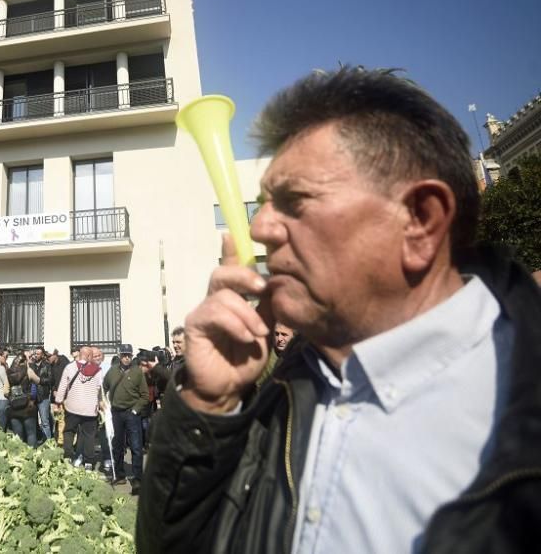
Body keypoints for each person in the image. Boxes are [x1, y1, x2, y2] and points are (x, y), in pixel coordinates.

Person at [137, 67, 541, 553]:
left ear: (420, 221)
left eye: (294, 201)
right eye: (263, 203)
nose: (259, 228)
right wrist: (208, 406)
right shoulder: (280, 393)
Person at [103, 344, 148, 493]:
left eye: (129, 355)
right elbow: (104, 388)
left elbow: (144, 395)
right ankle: (120, 474)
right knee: (117, 446)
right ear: (119, 355)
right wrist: (102, 402)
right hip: (116, 413)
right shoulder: (112, 371)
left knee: (136, 447)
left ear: (132, 355)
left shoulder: (137, 372)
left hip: (132, 413)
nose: (126, 357)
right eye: (124, 355)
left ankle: (137, 479)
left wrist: (135, 410)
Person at [54, 346, 102, 470]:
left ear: (80, 354)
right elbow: (100, 389)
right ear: (89, 356)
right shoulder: (97, 370)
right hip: (90, 409)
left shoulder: (69, 367)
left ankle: (68, 456)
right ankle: (89, 462)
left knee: (69, 431)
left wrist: (58, 401)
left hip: (72, 407)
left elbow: (63, 386)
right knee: (89, 435)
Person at [6, 355, 40, 447]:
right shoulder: (28, 371)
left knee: (18, 437)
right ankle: (32, 456)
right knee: (31, 434)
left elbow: (5, 391)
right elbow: (38, 380)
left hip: (14, 408)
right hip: (28, 407)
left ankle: (19, 457)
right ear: (24, 361)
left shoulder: (8, 372)